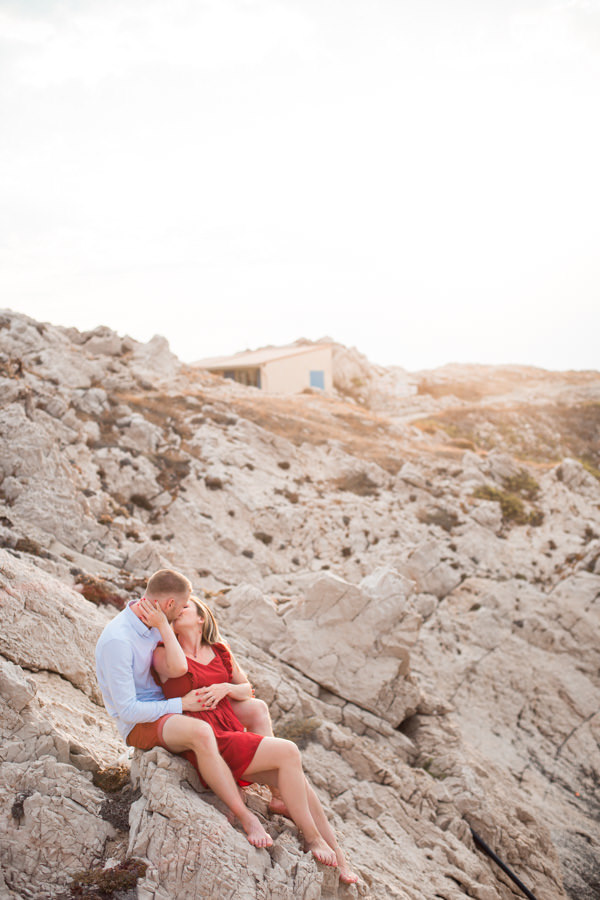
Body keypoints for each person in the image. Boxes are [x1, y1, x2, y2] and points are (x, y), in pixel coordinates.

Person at [149, 593, 359, 882]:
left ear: (201, 618)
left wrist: (225, 688)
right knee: (288, 752)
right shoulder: (164, 653)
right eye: (176, 610)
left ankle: (341, 856)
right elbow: (177, 670)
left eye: (186, 607)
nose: (179, 611)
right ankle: (311, 838)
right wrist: (163, 625)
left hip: (230, 730)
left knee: (300, 781)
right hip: (208, 739)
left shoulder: (219, 650)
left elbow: (246, 688)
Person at [95, 568, 272, 848]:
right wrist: (182, 704)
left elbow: (186, 662)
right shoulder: (119, 639)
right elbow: (127, 710)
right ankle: (245, 815)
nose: (179, 615)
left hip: (171, 706)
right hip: (141, 722)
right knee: (202, 732)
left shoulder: (155, 622)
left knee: (255, 709)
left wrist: (215, 688)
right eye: (181, 607)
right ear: (169, 605)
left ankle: (267, 781)